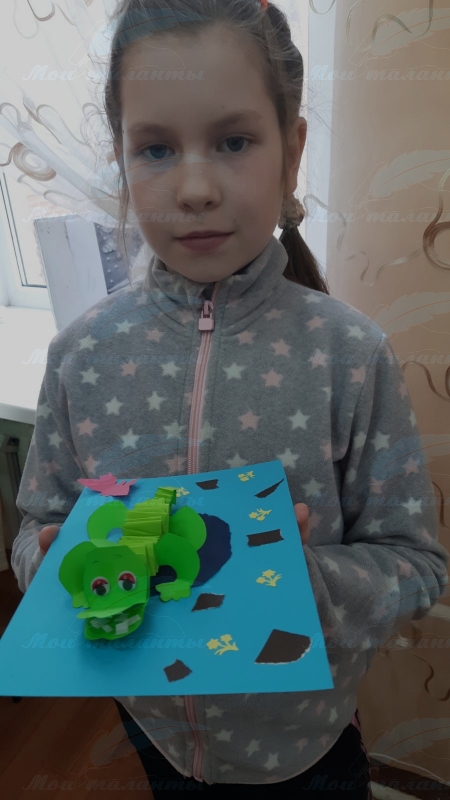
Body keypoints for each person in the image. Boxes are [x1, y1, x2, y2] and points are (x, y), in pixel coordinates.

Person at [11, 0, 448, 797]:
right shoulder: (82, 354)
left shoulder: (349, 355)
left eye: (235, 141)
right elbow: (38, 521)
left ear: (292, 154)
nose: (195, 187)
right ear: (121, 159)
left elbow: (417, 567)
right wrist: (56, 561)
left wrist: (301, 584)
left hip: (307, 745)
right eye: (155, 148)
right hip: (157, 734)